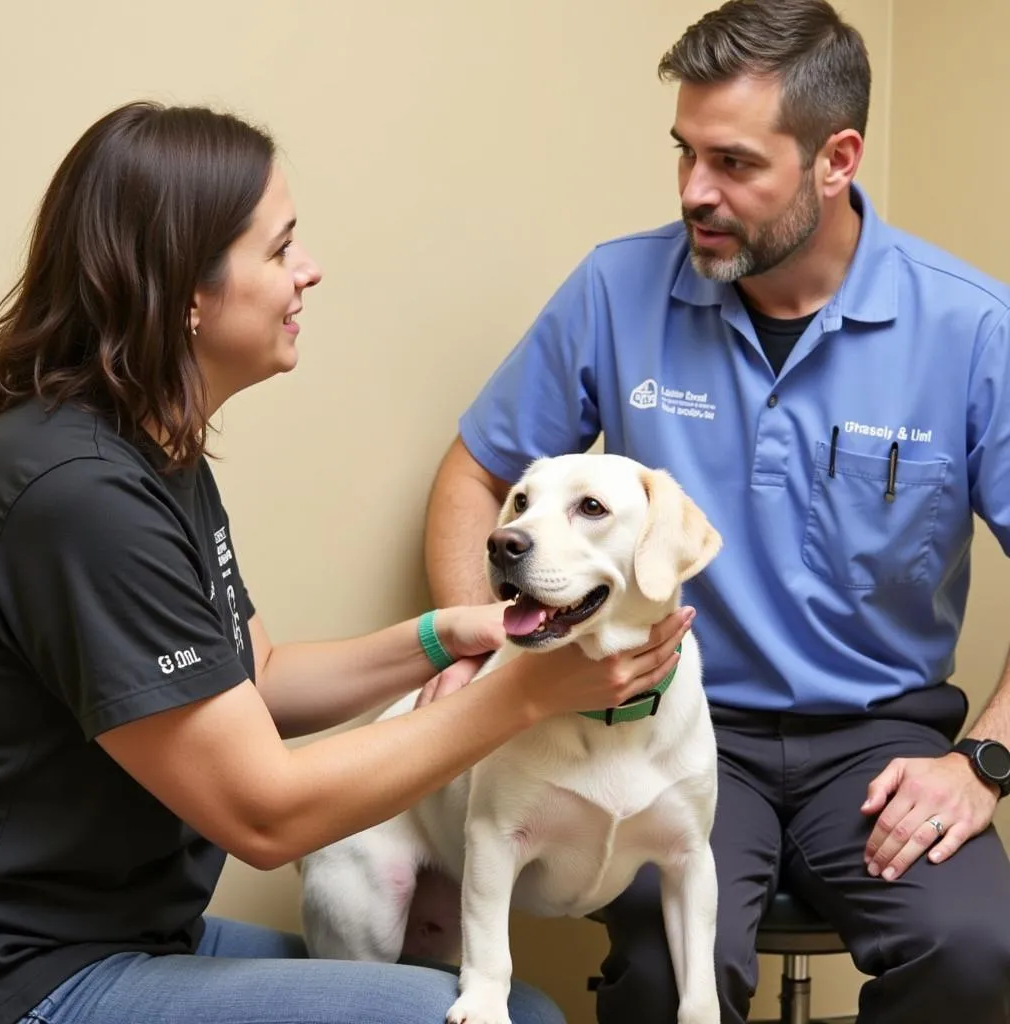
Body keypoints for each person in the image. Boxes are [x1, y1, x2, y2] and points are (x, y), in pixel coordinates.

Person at [0, 100, 691, 1024]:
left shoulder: (151, 450)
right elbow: (264, 816)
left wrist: (451, 634)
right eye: (280, 250)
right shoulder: (80, 497)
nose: (308, 271)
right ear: (185, 293)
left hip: (143, 931)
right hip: (39, 974)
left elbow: (262, 680)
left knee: (511, 1002)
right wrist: (525, 693)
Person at [423, 1, 1010, 1022]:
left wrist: (983, 763)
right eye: (685, 154)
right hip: (665, 720)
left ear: (837, 159)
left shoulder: (968, 328)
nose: (696, 190)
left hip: (876, 735)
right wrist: (477, 662)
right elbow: (472, 475)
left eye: (734, 163)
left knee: (973, 952)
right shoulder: (616, 288)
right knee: (660, 978)